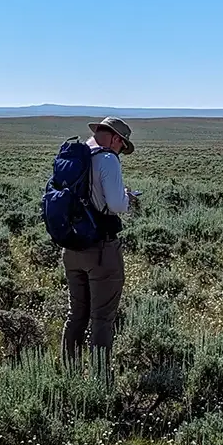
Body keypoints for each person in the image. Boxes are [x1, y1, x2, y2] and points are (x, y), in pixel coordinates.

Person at [61, 116, 139, 386]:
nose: (120, 150)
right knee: (102, 319)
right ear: (117, 139)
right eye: (122, 144)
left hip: (72, 247)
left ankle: (69, 375)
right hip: (101, 249)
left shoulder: (80, 156)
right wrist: (129, 198)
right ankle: (101, 382)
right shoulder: (107, 159)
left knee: (76, 315)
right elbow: (116, 205)